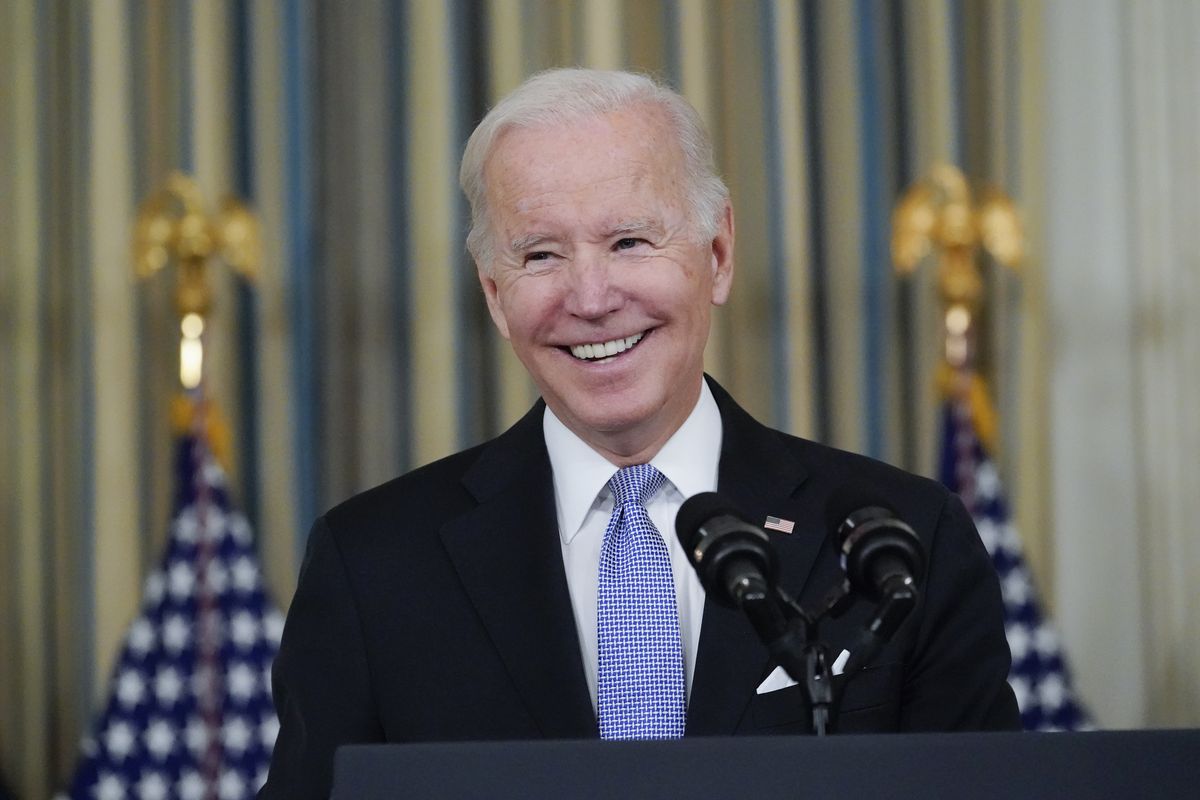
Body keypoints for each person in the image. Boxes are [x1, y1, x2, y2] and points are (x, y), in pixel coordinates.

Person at [260, 68, 1019, 798]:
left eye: (629, 241)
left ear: (716, 256)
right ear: (495, 295)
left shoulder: (903, 544)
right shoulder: (372, 567)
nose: (590, 299)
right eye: (541, 254)